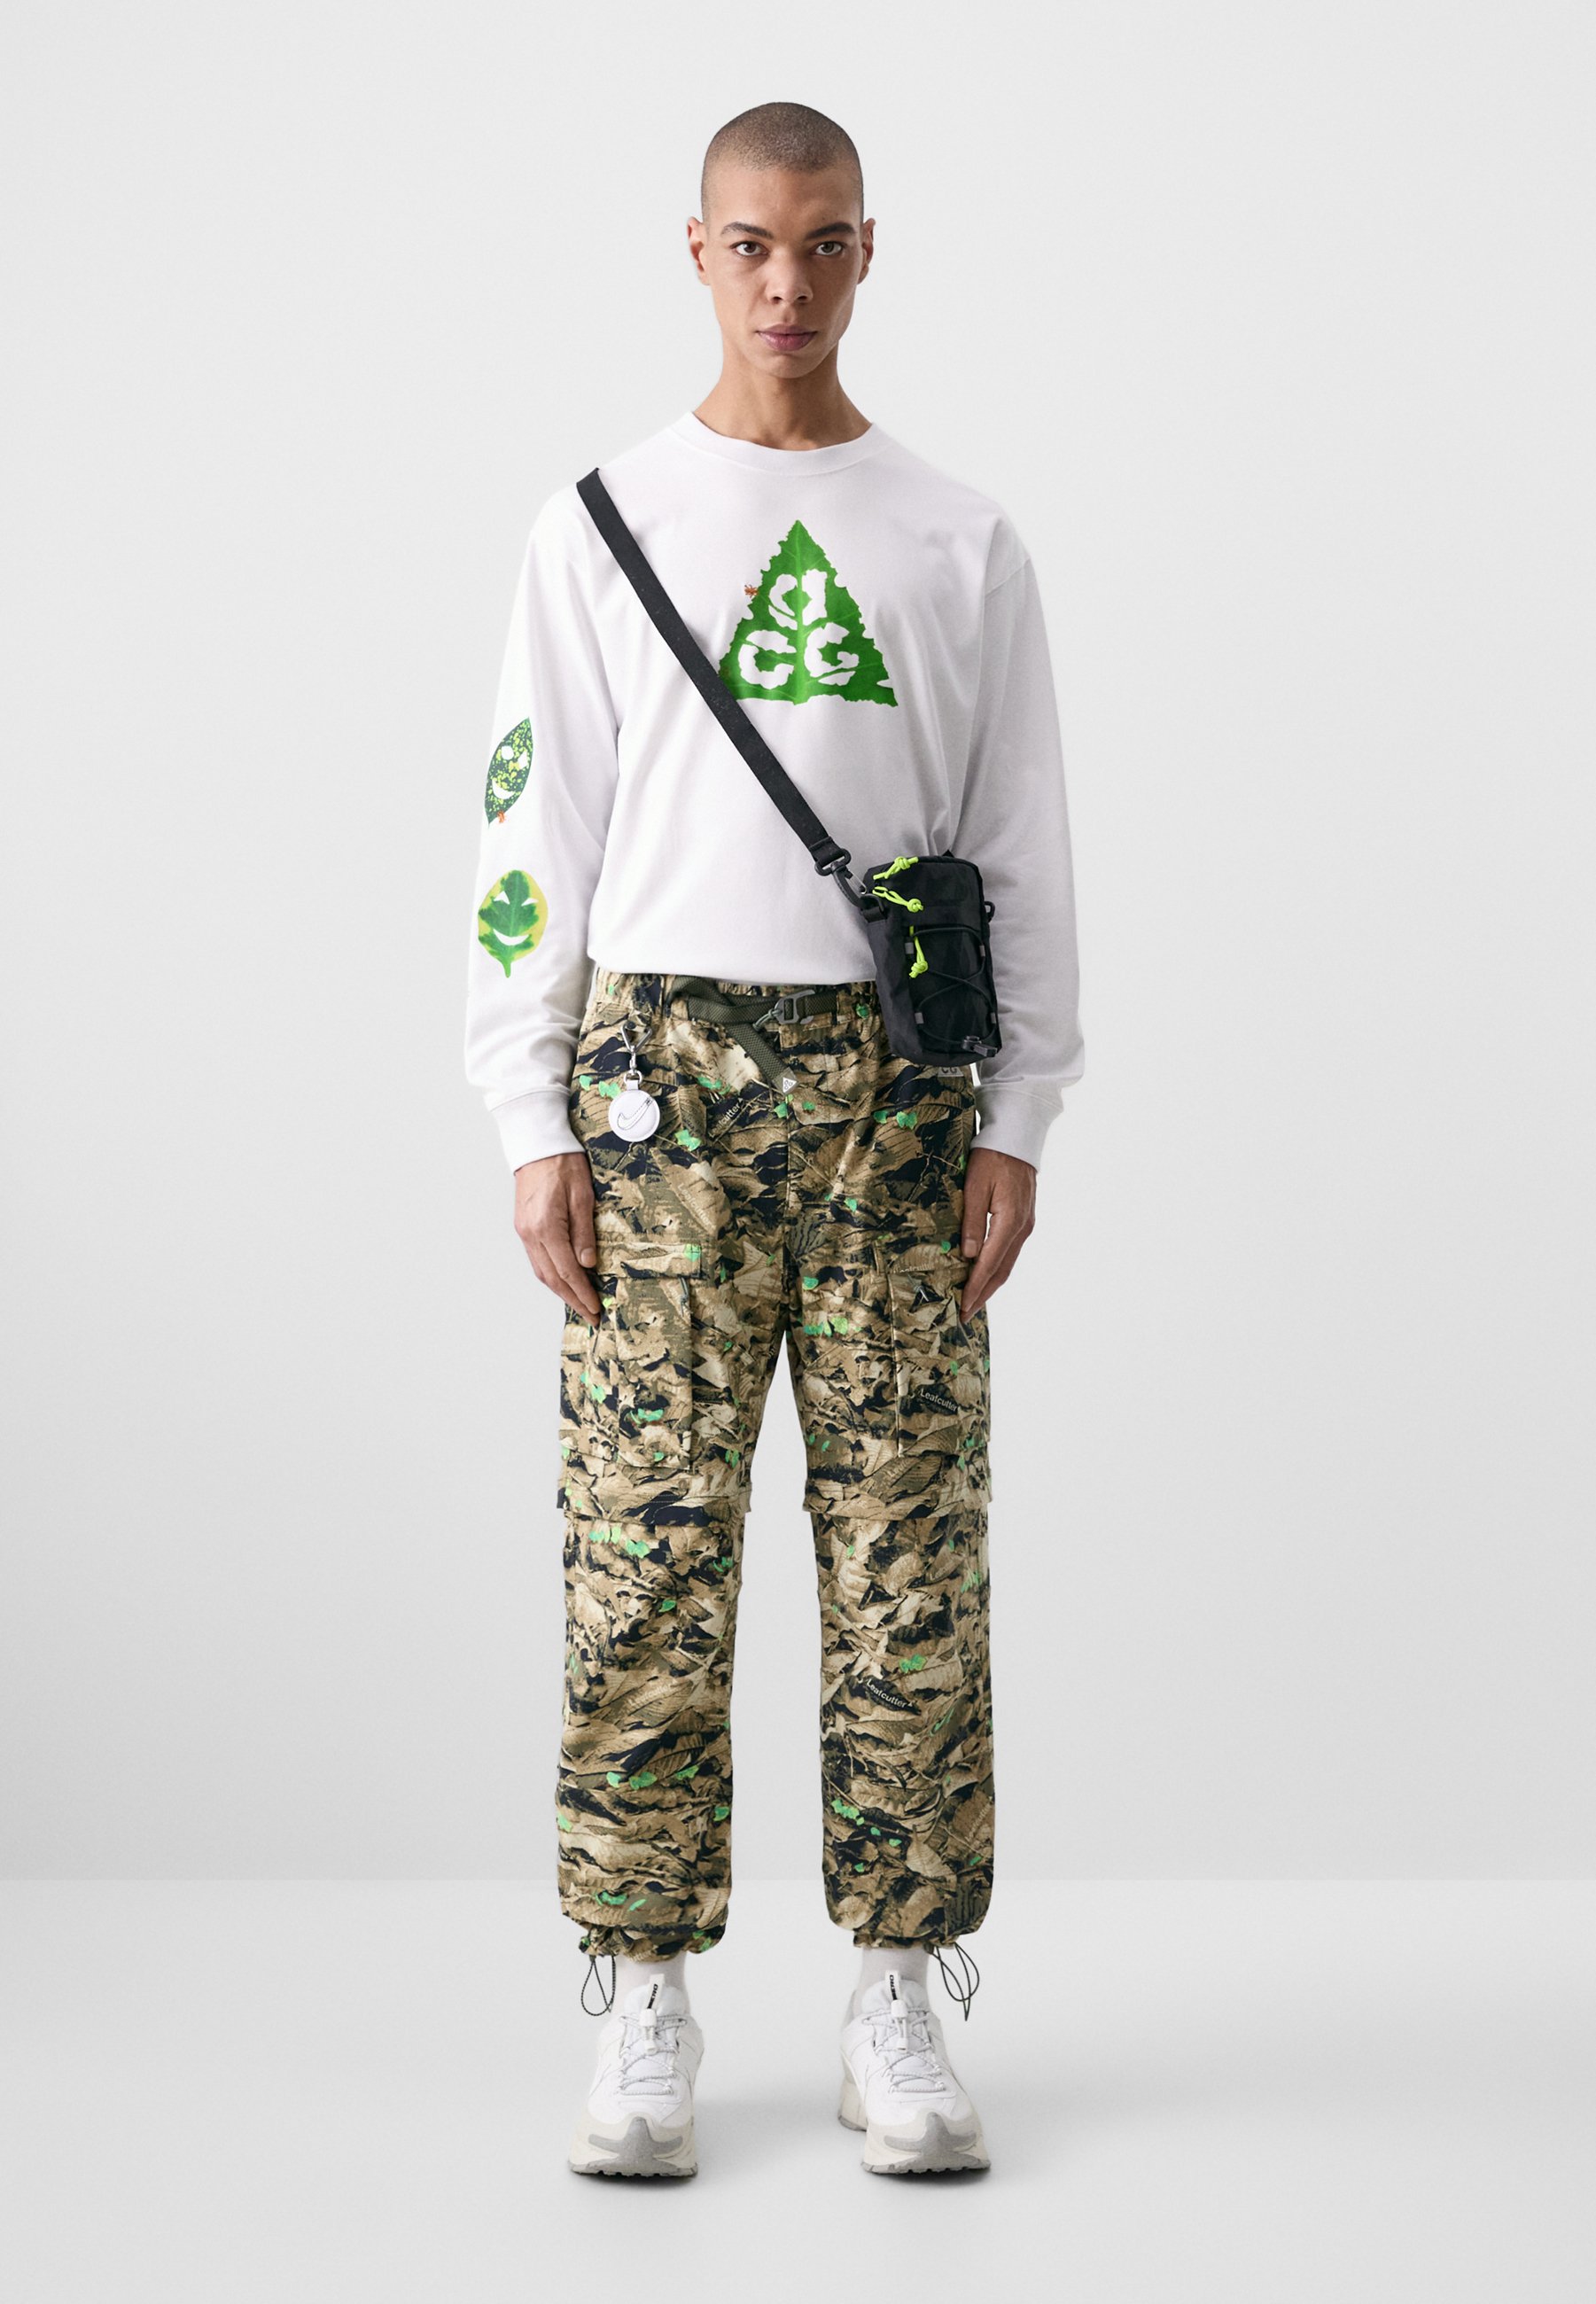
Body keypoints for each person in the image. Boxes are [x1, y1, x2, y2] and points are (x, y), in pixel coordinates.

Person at [463, 100, 1083, 2180]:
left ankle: (899, 1989)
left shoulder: (953, 537)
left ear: (867, 252)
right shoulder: (601, 521)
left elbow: (1018, 840)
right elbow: (531, 828)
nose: (786, 284)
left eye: (821, 244)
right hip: (656, 1089)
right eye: (749, 244)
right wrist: (528, 1107)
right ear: (697, 252)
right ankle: (640, 1988)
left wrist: (1019, 1108)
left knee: (908, 1552)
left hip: (894, 1096)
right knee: (644, 1548)